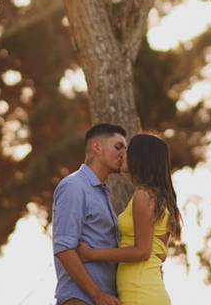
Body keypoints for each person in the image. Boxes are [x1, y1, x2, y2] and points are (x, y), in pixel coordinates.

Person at [76, 132, 183, 305]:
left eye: (128, 150)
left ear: (140, 157)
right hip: (147, 289)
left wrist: (93, 254)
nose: (123, 154)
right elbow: (158, 254)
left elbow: (143, 251)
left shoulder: (144, 196)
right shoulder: (160, 198)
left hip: (140, 291)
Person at [52, 123, 127, 305]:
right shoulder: (74, 186)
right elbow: (63, 248)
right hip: (81, 299)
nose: (123, 154)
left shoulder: (102, 192)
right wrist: (98, 295)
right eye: (118, 147)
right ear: (97, 146)